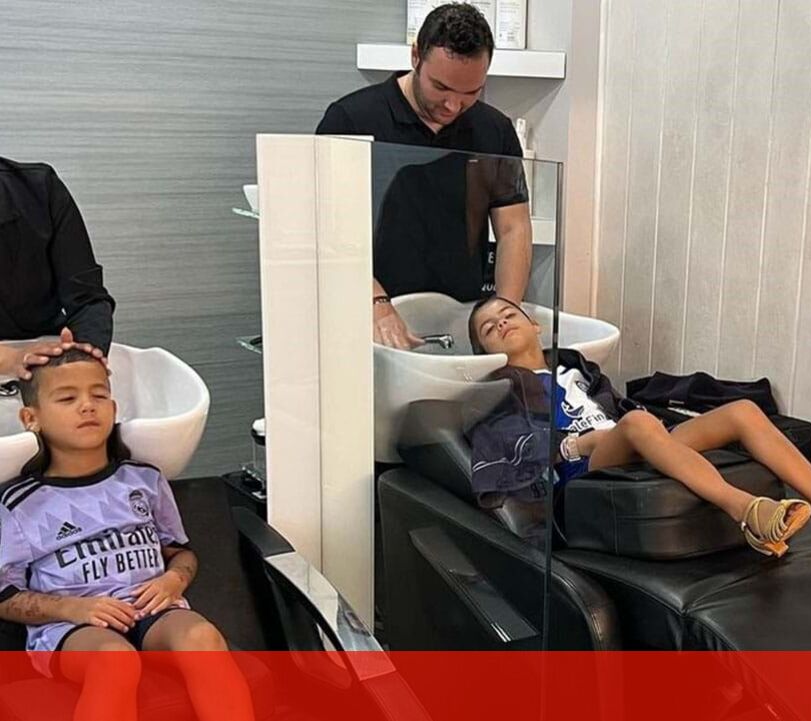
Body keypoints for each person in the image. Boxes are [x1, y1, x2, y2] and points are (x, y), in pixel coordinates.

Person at [466, 296, 811, 556]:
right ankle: (747, 511)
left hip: (632, 442)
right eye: (489, 327)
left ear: (535, 324)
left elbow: (620, 411)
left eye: (509, 314)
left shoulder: (577, 367)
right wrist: (577, 445)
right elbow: (510, 456)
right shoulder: (499, 392)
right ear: (483, 350)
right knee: (638, 423)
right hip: (585, 471)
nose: (502, 323)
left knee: (742, 411)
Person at [0, 349, 254, 720]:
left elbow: (180, 552)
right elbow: (5, 598)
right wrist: (74, 608)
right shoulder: (20, 504)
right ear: (31, 418)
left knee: (202, 639)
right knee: (115, 661)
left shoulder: (144, 480)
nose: (88, 406)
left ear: (114, 407)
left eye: (99, 395)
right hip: (74, 627)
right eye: (68, 398)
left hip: (152, 611)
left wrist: (173, 580)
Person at [317, 2, 533, 350]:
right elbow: (328, 230)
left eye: (470, 93)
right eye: (441, 87)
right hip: (368, 313)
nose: (453, 106)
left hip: (460, 319)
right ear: (416, 56)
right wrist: (376, 304)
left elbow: (513, 228)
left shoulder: (494, 130)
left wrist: (505, 314)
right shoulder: (351, 120)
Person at [0, 157, 112, 380]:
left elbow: (87, 298)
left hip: (45, 354)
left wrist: (83, 358)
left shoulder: (40, 188)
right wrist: (11, 359)